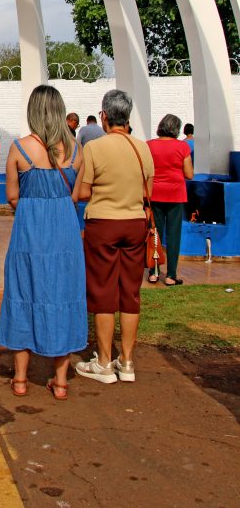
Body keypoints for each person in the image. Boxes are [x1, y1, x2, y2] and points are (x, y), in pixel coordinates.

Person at [0, 85, 86, 400]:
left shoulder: (19, 148)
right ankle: (60, 382)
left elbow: (11, 196)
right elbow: (75, 196)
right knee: (64, 293)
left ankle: (21, 379)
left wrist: (33, 206)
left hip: (29, 230)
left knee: (23, 291)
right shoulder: (77, 149)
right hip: (65, 229)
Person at [74, 89, 154, 384]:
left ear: (104, 116)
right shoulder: (142, 148)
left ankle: (104, 362)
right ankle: (127, 361)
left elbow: (83, 192)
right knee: (130, 293)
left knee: (103, 292)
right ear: (127, 117)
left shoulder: (95, 148)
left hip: (103, 223)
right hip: (134, 224)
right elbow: (148, 192)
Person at [147, 114, 193, 286]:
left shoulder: (149, 145)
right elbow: (189, 174)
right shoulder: (182, 146)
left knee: (155, 233)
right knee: (173, 235)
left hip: (155, 193)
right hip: (175, 194)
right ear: (176, 129)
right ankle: (171, 275)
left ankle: (154, 272)